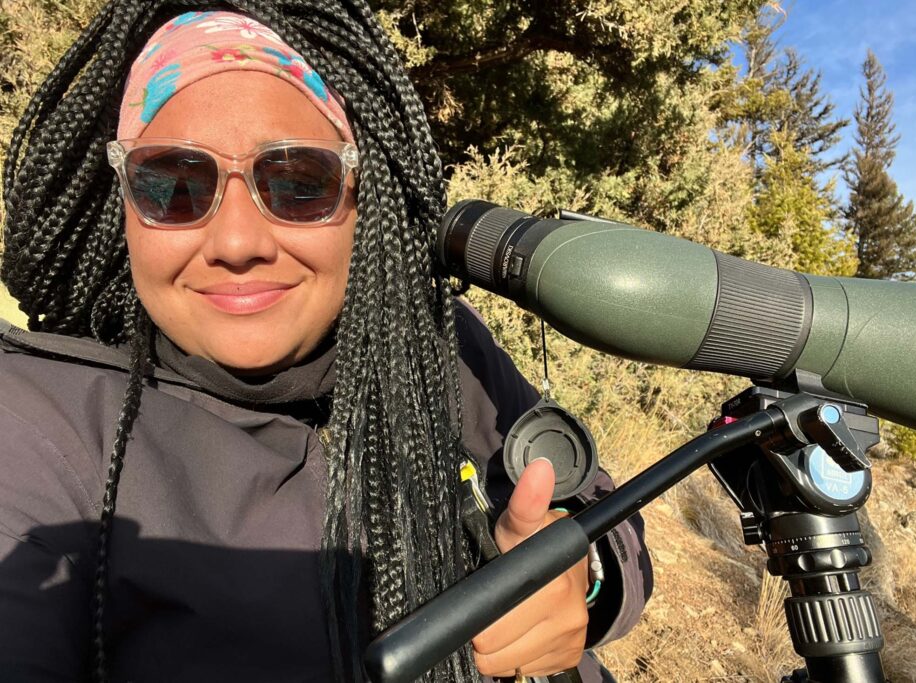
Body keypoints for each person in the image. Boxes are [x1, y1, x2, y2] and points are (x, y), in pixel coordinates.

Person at [0, 3, 652, 682]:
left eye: (296, 182)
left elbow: (606, 518)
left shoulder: (436, 346)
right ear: (123, 204)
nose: (237, 243)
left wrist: (585, 579)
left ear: (361, 197)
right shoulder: (43, 426)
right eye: (175, 186)